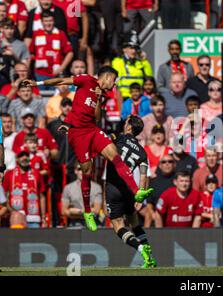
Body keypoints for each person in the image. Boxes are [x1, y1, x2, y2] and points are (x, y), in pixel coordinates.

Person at [22, 66, 153, 232]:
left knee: (115, 155)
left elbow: (97, 118)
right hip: (78, 134)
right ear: (107, 76)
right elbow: (62, 80)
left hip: (92, 130)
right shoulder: (86, 80)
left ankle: (136, 191)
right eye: (114, 81)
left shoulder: (103, 94)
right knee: (87, 171)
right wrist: (37, 83)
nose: (114, 86)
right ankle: (87, 211)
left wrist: (98, 100)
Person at [105, 115, 156, 268]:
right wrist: (140, 198)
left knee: (118, 225)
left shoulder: (119, 138)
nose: (124, 124)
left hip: (114, 186)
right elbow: (143, 175)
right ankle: (150, 258)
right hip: (129, 190)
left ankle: (141, 249)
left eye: (126, 122)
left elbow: (105, 142)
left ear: (129, 127)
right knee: (134, 223)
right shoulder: (142, 152)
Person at [3, 147, 47, 228]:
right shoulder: (9, 174)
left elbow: (42, 197)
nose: (24, 158)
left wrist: (44, 218)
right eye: (21, 156)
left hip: (34, 219)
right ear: (17, 158)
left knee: (35, 240)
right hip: (16, 218)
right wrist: (12, 212)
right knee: (16, 239)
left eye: (26, 155)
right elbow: (4, 196)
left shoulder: (37, 174)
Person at [29, 10, 74, 87]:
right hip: (40, 74)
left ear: (54, 21)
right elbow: (31, 53)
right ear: (42, 22)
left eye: (50, 20)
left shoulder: (60, 34)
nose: (48, 23)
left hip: (56, 74)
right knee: (42, 97)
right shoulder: (36, 34)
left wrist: (61, 68)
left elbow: (70, 52)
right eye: (46, 21)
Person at [112, 34, 153, 100]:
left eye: (135, 48)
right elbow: (115, 83)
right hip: (123, 99)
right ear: (124, 49)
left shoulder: (142, 63)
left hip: (140, 98)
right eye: (131, 48)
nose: (134, 51)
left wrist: (144, 60)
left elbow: (150, 79)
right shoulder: (117, 62)